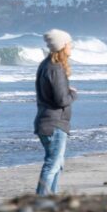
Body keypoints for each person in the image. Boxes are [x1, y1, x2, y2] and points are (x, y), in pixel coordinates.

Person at [35, 30, 76, 196]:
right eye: (70, 43)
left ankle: (52, 199)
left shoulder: (46, 65)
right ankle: (40, 200)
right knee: (52, 164)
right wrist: (72, 93)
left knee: (57, 164)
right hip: (54, 124)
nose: (71, 46)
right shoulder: (55, 68)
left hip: (48, 122)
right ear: (63, 46)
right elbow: (61, 100)